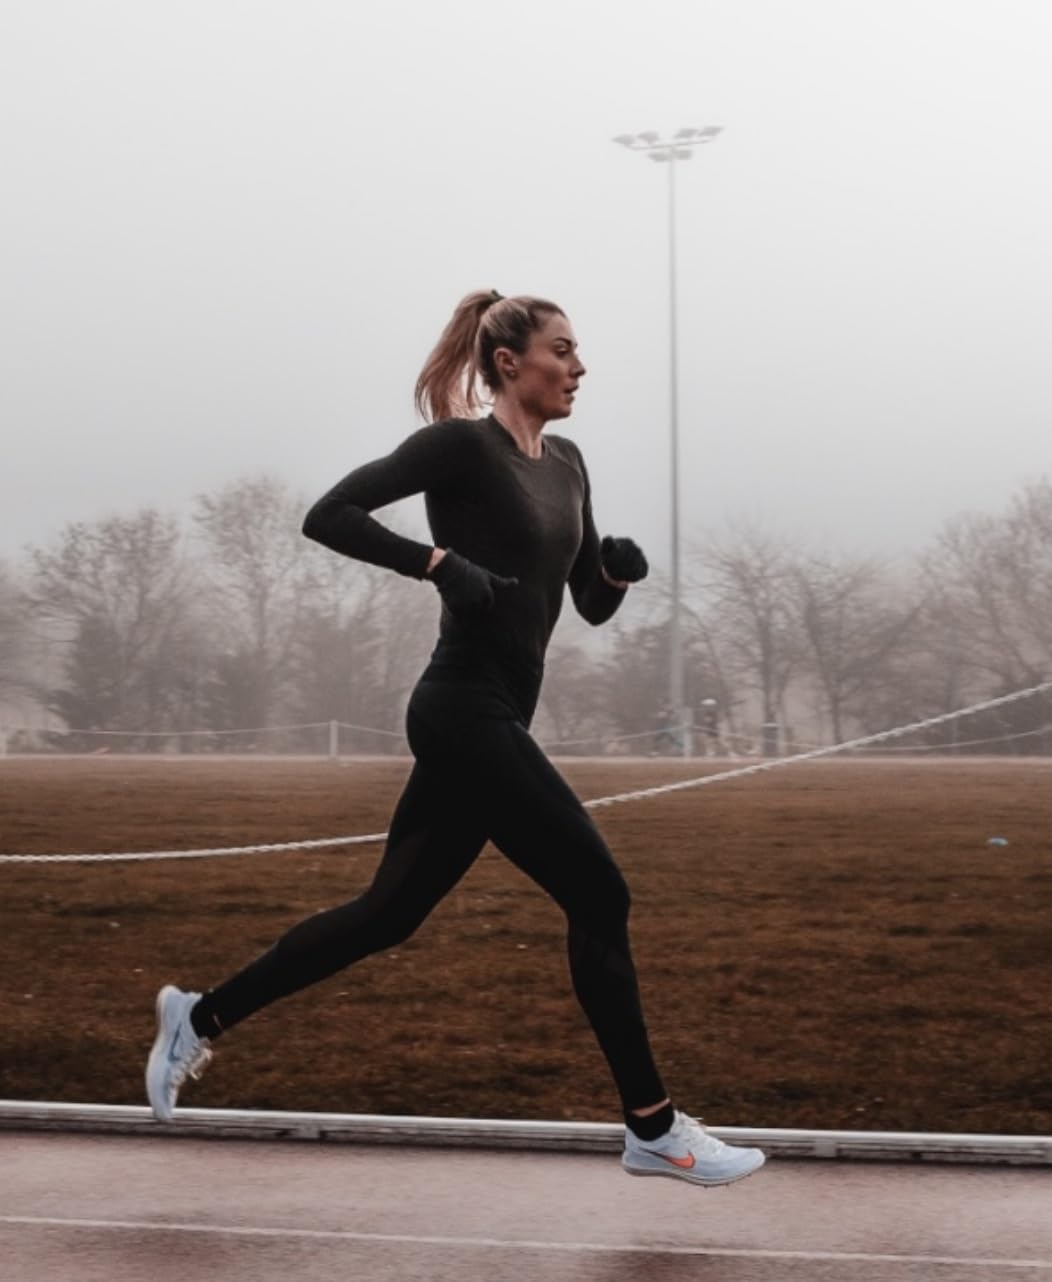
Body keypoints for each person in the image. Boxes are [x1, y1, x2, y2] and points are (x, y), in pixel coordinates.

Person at [145, 290, 765, 1187]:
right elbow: (329, 514)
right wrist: (436, 562)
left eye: (580, 351)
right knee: (599, 892)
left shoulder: (570, 464)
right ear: (510, 362)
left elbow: (583, 603)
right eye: (564, 350)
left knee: (386, 915)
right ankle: (653, 1127)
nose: (580, 366)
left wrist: (618, 576)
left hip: (498, 715)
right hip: (459, 709)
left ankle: (197, 1018)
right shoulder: (458, 448)